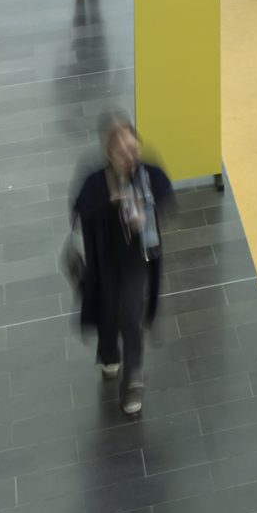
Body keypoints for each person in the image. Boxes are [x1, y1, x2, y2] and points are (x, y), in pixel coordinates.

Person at [69, 114, 173, 421]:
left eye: (133, 149)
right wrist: (111, 204)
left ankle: (133, 380)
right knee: (107, 311)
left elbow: (167, 194)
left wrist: (148, 211)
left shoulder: (148, 174)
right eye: (122, 152)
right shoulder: (96, 181)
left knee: (130, 314)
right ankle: (109, 352)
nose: (130, 157)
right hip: (105, 260)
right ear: (109, 153)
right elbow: (78, 209)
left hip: (135, 260)